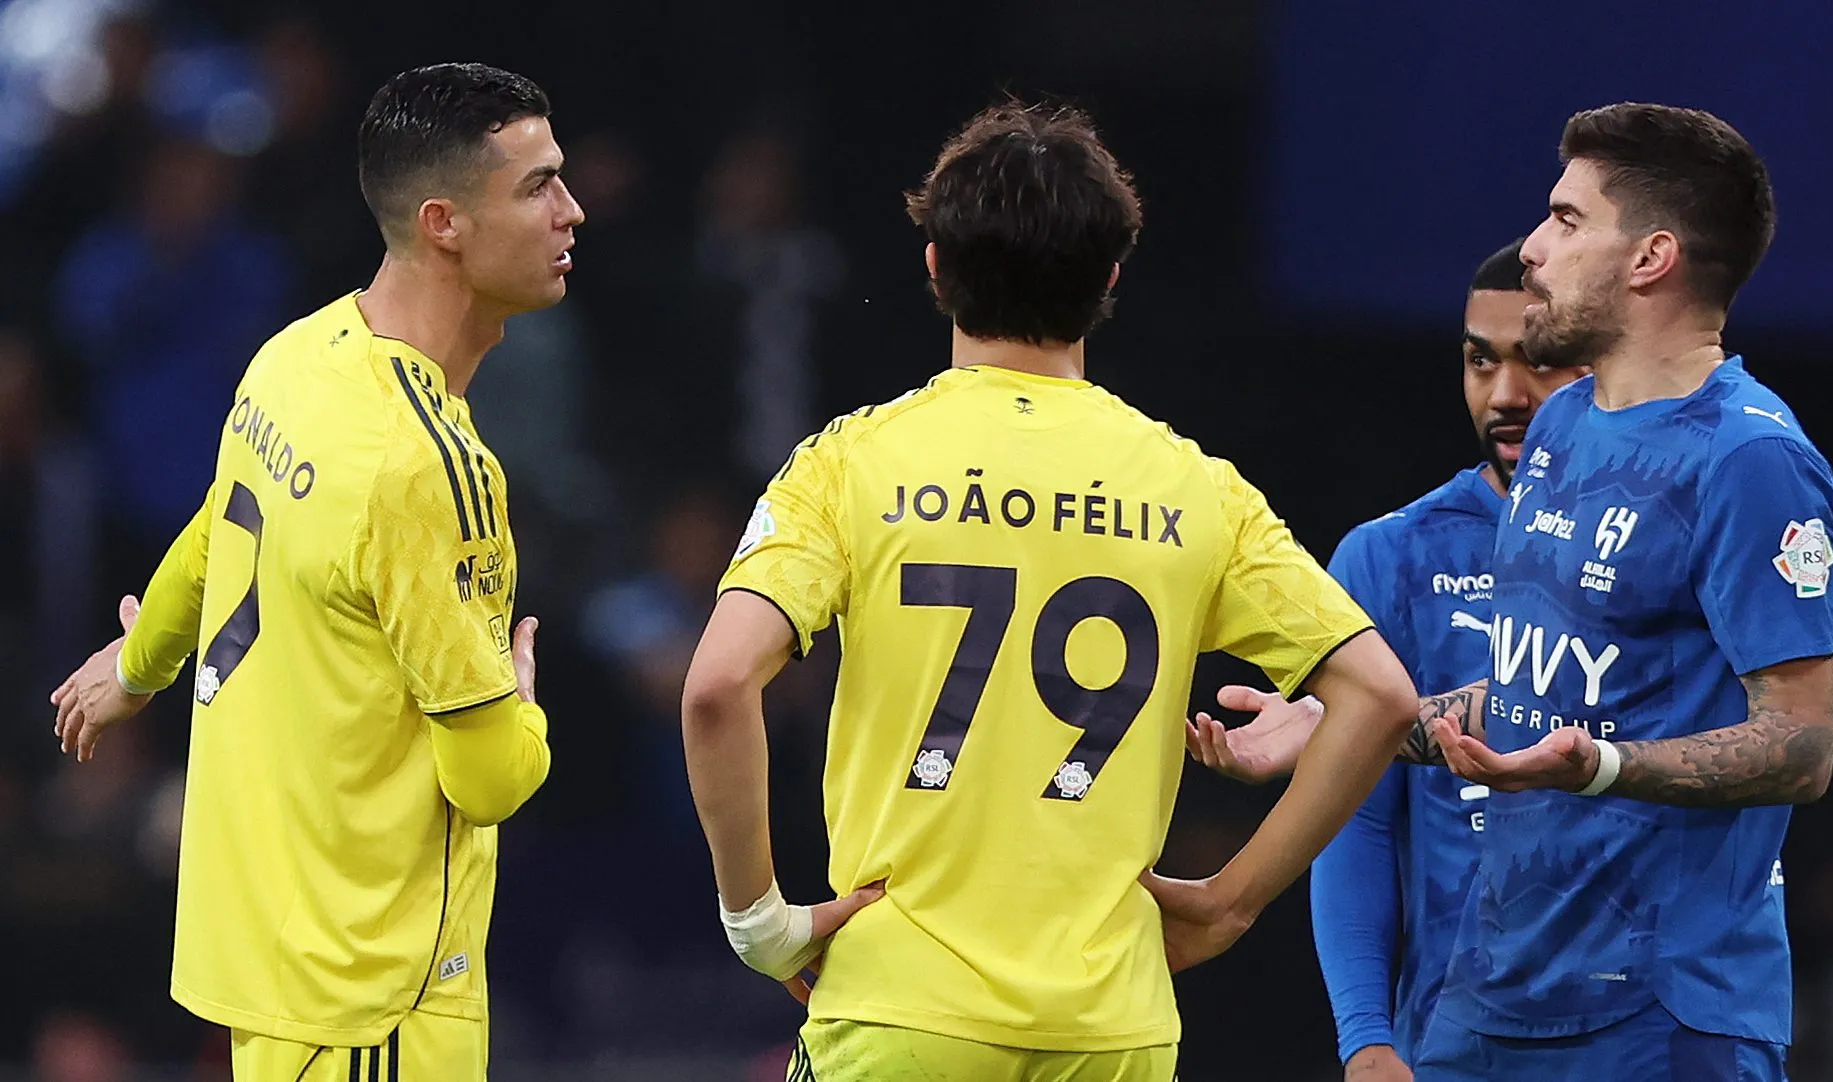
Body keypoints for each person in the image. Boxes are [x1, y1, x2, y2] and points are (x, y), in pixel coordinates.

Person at [680, 99, 1418, 1081]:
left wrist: (758, 919)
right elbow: (1380, 695)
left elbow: (716, 686)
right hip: (1111, 1026)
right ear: (1109, 277)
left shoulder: (848, 464)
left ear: (935, 267)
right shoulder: (1194, 487)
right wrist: (1231, 899)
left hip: (903, 1010)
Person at [1182, 102, 1833, 1081]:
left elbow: (1801, 742)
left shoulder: (1750, 458)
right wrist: (1343, 726)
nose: (1532, 249)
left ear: (1651, 257)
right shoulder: (1564, 427)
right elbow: (1541, 699)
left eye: (1567, 220)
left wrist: (1604, 765)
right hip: (1488, 1003)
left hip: (1660, 1015)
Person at [49, 62, 583, 1080]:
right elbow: (486, 779)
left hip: (272, 969)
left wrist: (139, 665)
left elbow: (220, 527)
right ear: (443, 224)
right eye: (537, 186)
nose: (572, 210)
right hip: (375, 999)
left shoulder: (295, 359)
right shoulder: (430, 469)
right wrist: (523, 709)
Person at [1303, 241, 1586, 1081]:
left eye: (1537, 361)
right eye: (1479, 361)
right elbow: (1354, 819)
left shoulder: (1673, 535)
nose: (1505, 396)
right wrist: (1365, 1037)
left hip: (1647, 1026)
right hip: (1458, 1039)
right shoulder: (1389, 556)